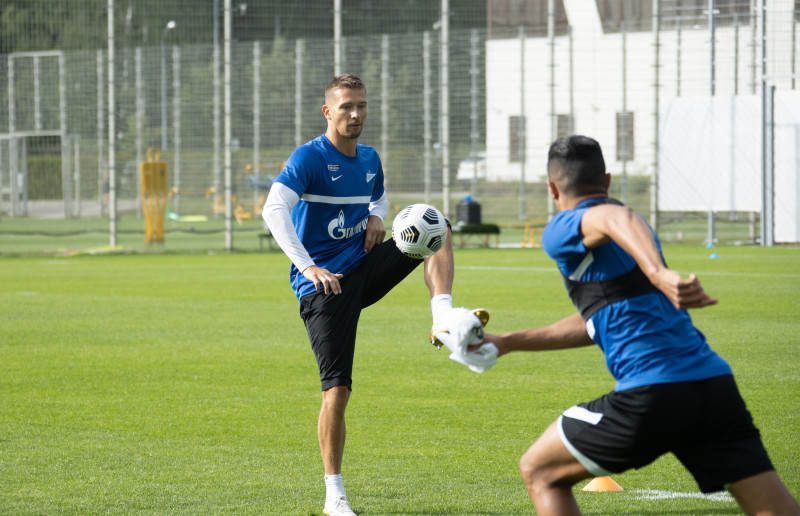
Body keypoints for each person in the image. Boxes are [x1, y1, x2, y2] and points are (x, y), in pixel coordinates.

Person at [479, 135, 800, 516]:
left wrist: (658, 273)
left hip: (653, 394)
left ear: (552, 188)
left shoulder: (565, 227)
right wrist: (508, 342)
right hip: (713, 386)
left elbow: (613, 217)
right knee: (773, 508)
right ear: (607, 180)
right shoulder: (635, 233)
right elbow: (598, 318)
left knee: (540, 470)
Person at [262, 73, 484, 516]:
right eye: (346, 106)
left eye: (361, 105)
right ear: (328, 111)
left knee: (435, 225)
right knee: (337, 390)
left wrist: (378, 216)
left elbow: (377, 199)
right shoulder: (309, 157)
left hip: (363, 266)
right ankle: (334, 496)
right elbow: (273, 208)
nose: (355, 114)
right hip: (324, 287)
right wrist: (308, 266)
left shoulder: (369, 158)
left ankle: (442, 316)